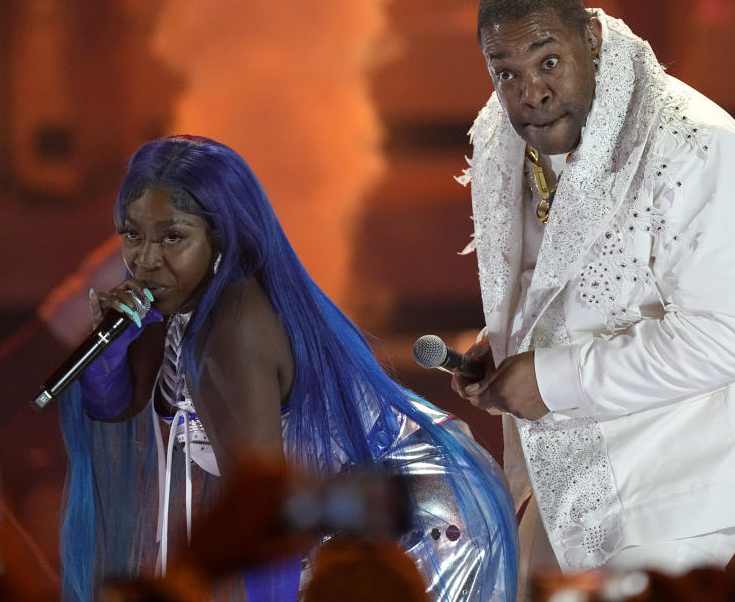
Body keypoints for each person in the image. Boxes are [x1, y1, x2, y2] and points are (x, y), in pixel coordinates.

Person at [58, 135, 518, 601]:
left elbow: (263, 516)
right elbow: (111, 403)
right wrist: (113, 345)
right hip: (340, 519)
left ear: (222, 236)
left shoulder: (232, 330)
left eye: (173, 237)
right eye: (133, 235)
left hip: (415, 518)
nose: (146, 258)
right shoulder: (175, 297)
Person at [452, 0, 735, 586]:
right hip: (569, 477)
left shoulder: (692, 143)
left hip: (679, 488)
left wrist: (551, 377)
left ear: (591, 39)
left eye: (548, 60)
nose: (532, 90)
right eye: (507, 73)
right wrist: (506, 348)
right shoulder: (503, 136)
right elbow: (558, 283)